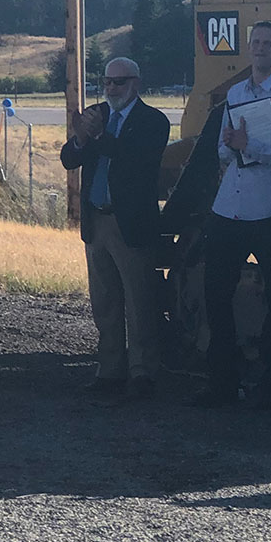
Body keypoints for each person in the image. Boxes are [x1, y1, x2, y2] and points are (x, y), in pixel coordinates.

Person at [203, 21, 271, 410]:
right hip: (229, 207)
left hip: (270, 209)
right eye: (256, 42)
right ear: (248, 48)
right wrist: (231, 145)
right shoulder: (235, 93)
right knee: (216, 294)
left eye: (268, 43)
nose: (260, 48)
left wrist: (253, 146)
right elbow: (222, 150)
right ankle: (222, 383)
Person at [59, 56, 171, 399]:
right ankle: (109, 370)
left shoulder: (153, 121)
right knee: (104, 302)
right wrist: (80, 139)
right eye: (106, 81)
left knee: (139, 302)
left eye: (118, 82)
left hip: (131, 224)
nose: (111, 88)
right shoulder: (98, 115)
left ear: (135, 83)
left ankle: (142, 373)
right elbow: (69, 159)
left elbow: (135, 161)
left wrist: (97, 135)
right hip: (98, 221)